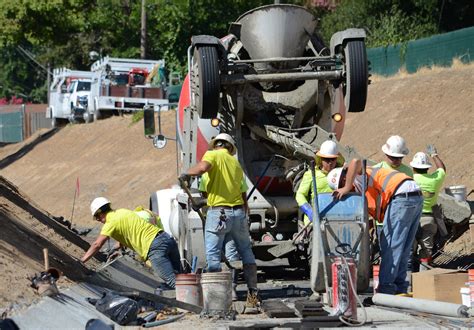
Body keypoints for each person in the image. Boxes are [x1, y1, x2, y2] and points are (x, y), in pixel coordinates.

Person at [179, 132, 260, 308]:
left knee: (213, 254)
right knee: (244, 251)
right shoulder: (236, 164)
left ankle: (218, 298)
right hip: (238, 213)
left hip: (219, 213)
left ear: (216, 145)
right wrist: (244, 213)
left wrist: (186, 173)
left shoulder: (213, 155)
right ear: (230, 147)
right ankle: (251, 293)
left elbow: (202, 169)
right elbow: (243, 193)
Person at [330, 158, 423, 295]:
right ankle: (400, 288)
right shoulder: (363, 184)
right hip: (415, 195)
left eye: (342, 185)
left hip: (400, 196)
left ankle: (386, 289)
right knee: (403, 246)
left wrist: (347, 186)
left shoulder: (358, 177)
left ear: (345, 178)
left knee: (390, 246)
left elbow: (356, 161)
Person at [81, 197, 181, 289]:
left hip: (154, 247)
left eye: (97, 217)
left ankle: (192, 306)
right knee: (182, 278)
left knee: (172, 281)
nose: (98, 220)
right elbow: (129, 233)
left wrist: (82, 261)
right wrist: (113, 249)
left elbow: (97, 244)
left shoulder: (110, 223)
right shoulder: (123, 212)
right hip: (165, 238)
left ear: (100, 213)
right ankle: (192, 299)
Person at [199, 172, 242, 301]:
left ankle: (215, 292)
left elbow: (205, 196)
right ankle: (232, 289)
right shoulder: (236, 172)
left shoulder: (207, 175)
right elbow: (242, 195)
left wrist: (201, 203)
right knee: (232, 254)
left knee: (213, 254)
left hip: (216, 216)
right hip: (234, 216)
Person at [410, 147, 446, 269]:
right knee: (426, 252)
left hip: (412, 219)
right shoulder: (434, 180)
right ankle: (424, 280)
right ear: (427, 167)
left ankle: (408, 281)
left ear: (413, 168)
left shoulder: (410, 179)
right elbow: (442, 169)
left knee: (409, 251)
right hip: (429, 219)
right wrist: (434, 154)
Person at [295, 140, 344, 224]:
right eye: (326, 159)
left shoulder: (341, 173)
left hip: (336, 220)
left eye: (333, 159)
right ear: (321, 159)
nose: (330, 163)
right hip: (315, 222)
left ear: (337, 159)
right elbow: (300, 195)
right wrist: (309, 210)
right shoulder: (311, 174)